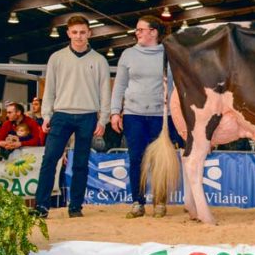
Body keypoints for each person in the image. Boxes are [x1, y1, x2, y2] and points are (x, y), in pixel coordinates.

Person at [34, 15, 110, 218]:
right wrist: (46, 115)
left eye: (82, 32)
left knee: (81, 164)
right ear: (68, 33)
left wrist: (103, 120)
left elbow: (105, 93)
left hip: (88, 117)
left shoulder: (99, 60)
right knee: (49, 160)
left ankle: (75, 207)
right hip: (61, 115)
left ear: (89, 33)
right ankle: (41, 206)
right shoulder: (56, 58)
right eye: (74, 32)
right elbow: (49, 89)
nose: (78, 36)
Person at [111, 15, 179, 219]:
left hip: (161, 116)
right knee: (136, 159)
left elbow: (175, 86)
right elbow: (120, 85)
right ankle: (137, 202)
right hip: (134, 115)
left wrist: (177, 113)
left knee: (160, 160)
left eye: (141, 29)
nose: (137, 33)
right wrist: (115, 112)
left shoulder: (168, 54)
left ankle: (159, 202)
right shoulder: (128, 55)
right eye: (137, 30)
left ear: (153, 32)